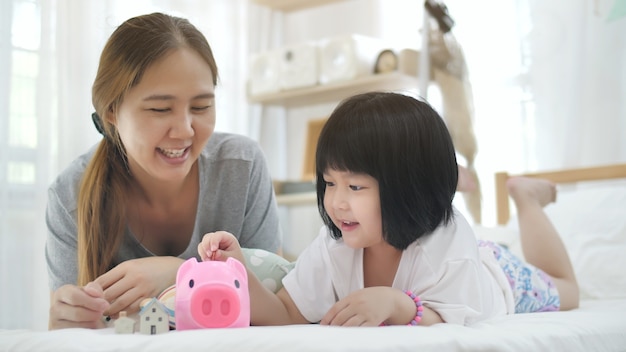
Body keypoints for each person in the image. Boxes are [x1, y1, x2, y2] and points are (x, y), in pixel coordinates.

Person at [198, 91, 579, 327]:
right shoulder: (334, 247)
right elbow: (285, 313)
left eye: (356, 186)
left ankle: (526, 199)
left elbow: (458, 321)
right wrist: (238, 272)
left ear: (409, 188)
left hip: (495, 278)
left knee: (568, 290)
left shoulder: (445, 247)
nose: (337, 202)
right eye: (330, 183)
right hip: (464, 266)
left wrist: (399, 305)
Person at [45, 12, 282, 330]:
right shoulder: (69, 195)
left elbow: (275, 307)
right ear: (112, 111)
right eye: (160, 109)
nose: (185, 131)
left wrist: (179, 272)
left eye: (200, 107)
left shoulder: (242, 167)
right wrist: (65, 322)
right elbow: (75, 333)